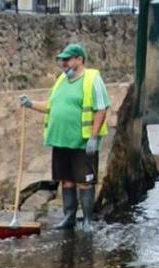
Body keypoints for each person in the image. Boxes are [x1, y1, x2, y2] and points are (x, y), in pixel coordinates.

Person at [19, 43, 110, 231]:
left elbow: (102, 109)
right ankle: (69, 217)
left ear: (79, 59)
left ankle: (86, 220)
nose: (63, 63)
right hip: (61, 141)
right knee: (66, 179)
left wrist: (93, 138)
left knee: (84, 181)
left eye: (67, 59)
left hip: (82, 143)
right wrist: (31, 104)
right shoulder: (61, 80)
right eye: (62, 60)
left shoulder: (93, 80)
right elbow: (51, 106)